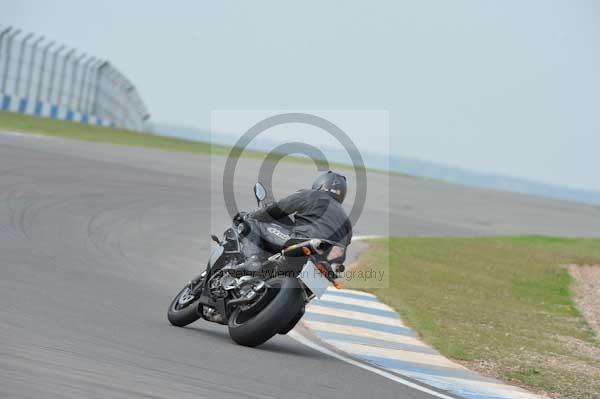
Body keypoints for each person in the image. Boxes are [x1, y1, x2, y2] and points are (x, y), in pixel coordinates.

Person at [232, 171, 352, 273]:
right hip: (328, 259)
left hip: (302, 242)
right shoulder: (346, 220)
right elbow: (344, 245)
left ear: (321, 183)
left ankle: (253, 260)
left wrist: (249, 216)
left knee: (251, 224)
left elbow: (275, 210)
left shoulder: (311, 195)